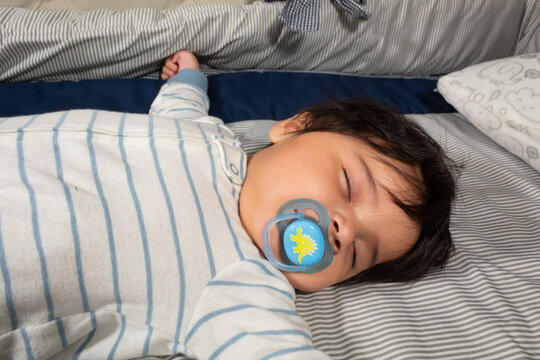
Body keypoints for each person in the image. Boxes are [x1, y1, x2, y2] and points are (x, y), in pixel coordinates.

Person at [0, 50, 456, 359]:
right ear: (298, 126)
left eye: (358, 254)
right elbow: (180, 110)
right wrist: (190, 76)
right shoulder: (210, 136)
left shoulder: (242, 287)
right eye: (349, 185)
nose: (345, 230)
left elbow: (272, 347)